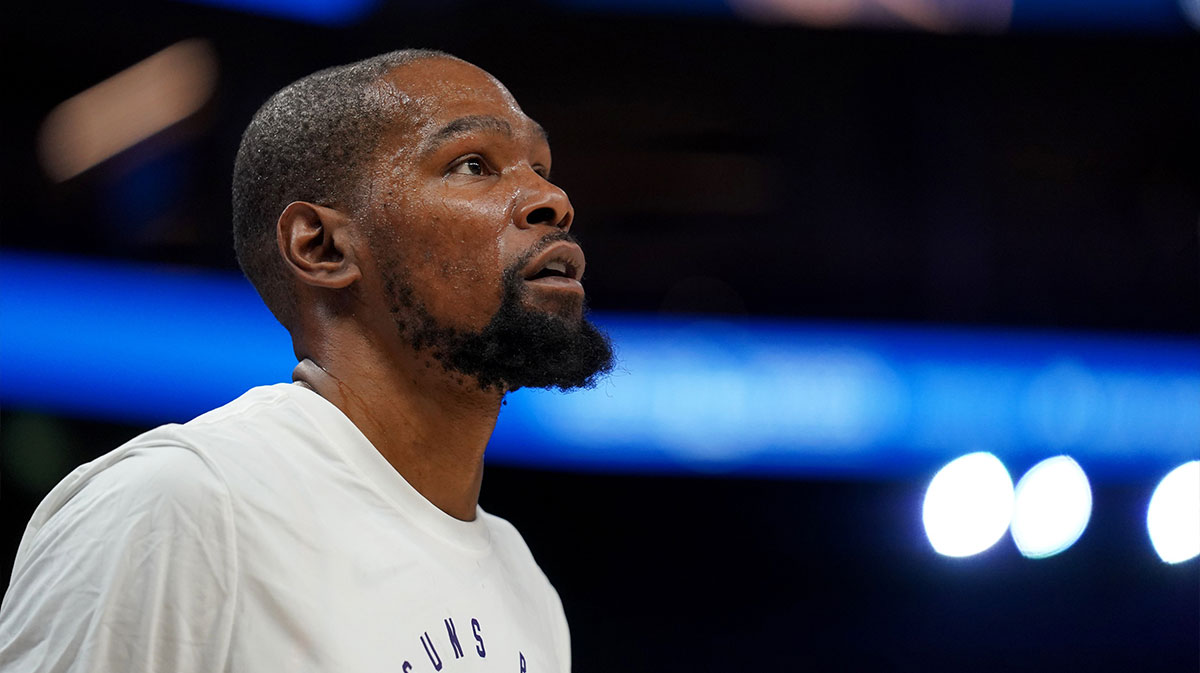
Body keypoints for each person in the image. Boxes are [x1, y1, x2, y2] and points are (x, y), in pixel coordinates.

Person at [0, 49, 614, 672]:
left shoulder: (527, 589)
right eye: (474, 164)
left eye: (541, 167)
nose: (552, 200)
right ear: (321, 247)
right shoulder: (189, 504)